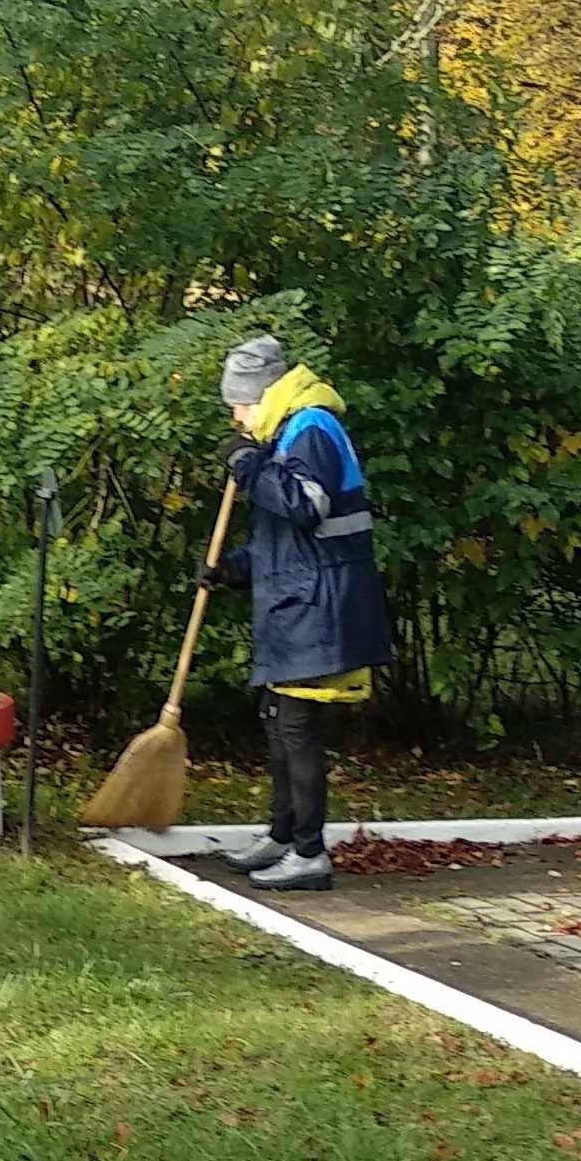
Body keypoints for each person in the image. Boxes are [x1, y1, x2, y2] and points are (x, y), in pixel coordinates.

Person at [203, 334, 394, 892]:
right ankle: (282, 835)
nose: (236, 417)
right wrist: (231, 569)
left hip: (320, 605)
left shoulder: (311, 427)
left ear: (262, 395)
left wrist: (248, 466)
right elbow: (284, 541)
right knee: (276, 719)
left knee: (296, 726)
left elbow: (306, 506)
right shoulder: (286, 431)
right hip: (299, 601)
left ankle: (309, 853)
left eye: (239, 404)